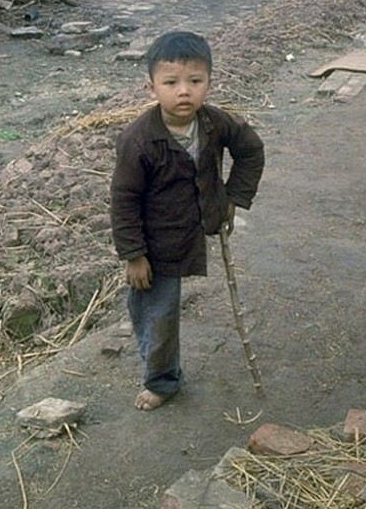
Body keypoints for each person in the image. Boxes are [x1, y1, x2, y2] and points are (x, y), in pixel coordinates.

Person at [110, 31, 265, 410]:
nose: (184, 92)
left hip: (194, 228)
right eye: (171, 83)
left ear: (209, 83)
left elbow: (251, 150)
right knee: (157, 313)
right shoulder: (139, 140)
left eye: (195, 82)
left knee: (160, 311)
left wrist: (233, 197)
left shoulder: (214, 124)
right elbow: (123, 200)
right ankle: (163, 381)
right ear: (151, 88)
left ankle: (162, 373)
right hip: (154, 245)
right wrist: (134, 255)